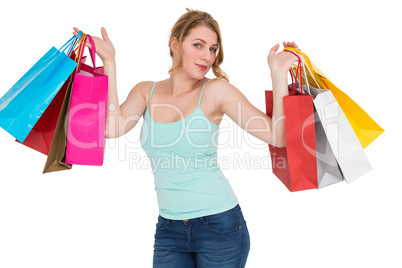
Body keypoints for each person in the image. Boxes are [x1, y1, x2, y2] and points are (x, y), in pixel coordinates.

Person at [74, 8, 298, 268]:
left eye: (213, 49)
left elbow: (277, 136)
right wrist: (110, 62)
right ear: (175, 44)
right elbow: (110, 129)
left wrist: (278, 73)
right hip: (169, 228)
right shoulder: (147, 91)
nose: (207, 56)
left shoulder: (216, 91)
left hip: (219, 226)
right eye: (198, 45)